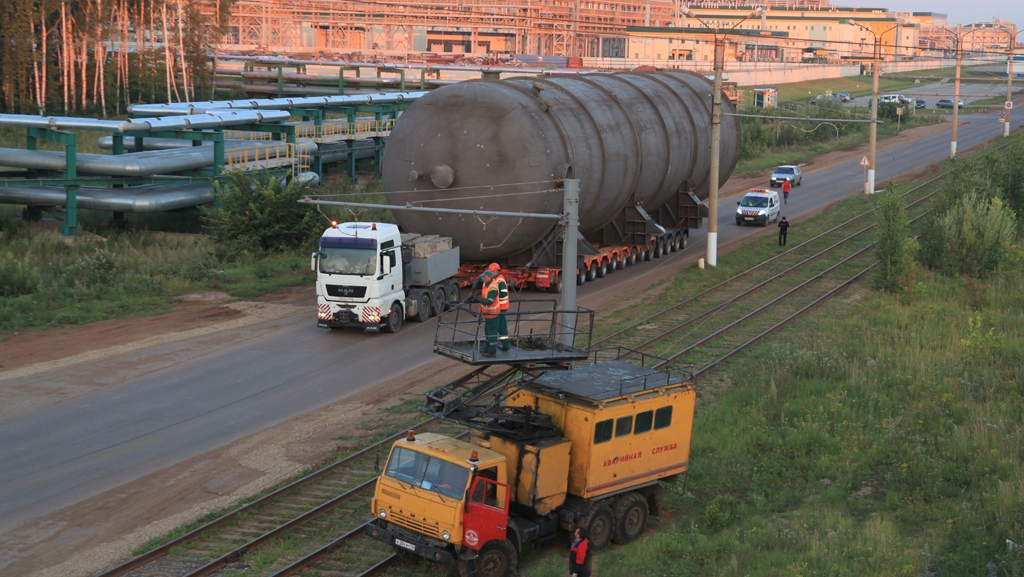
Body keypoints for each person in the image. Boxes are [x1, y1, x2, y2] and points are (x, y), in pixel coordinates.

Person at [470, 270, 502, 358]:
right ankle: (488, 348)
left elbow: (489, 301)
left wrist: (478, 299)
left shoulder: (493, 288)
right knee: (488, 331)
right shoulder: (486, 282)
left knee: (492, 333)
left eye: (484, 277)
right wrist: (474, 286)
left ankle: (492, 351)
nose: (483, 278)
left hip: (493, 313)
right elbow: (478, 280)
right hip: (487, 313)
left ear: (489, 277)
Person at [487, 263, 511, 352]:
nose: (491, 273)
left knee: (493, 327)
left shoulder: (499, 281)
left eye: (492, 271)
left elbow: (503, 293)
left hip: (499, 307)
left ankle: (491, 349)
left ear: (497, 271)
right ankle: (506, 344)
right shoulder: (495, 279)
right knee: (502, 326)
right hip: (501, 307)